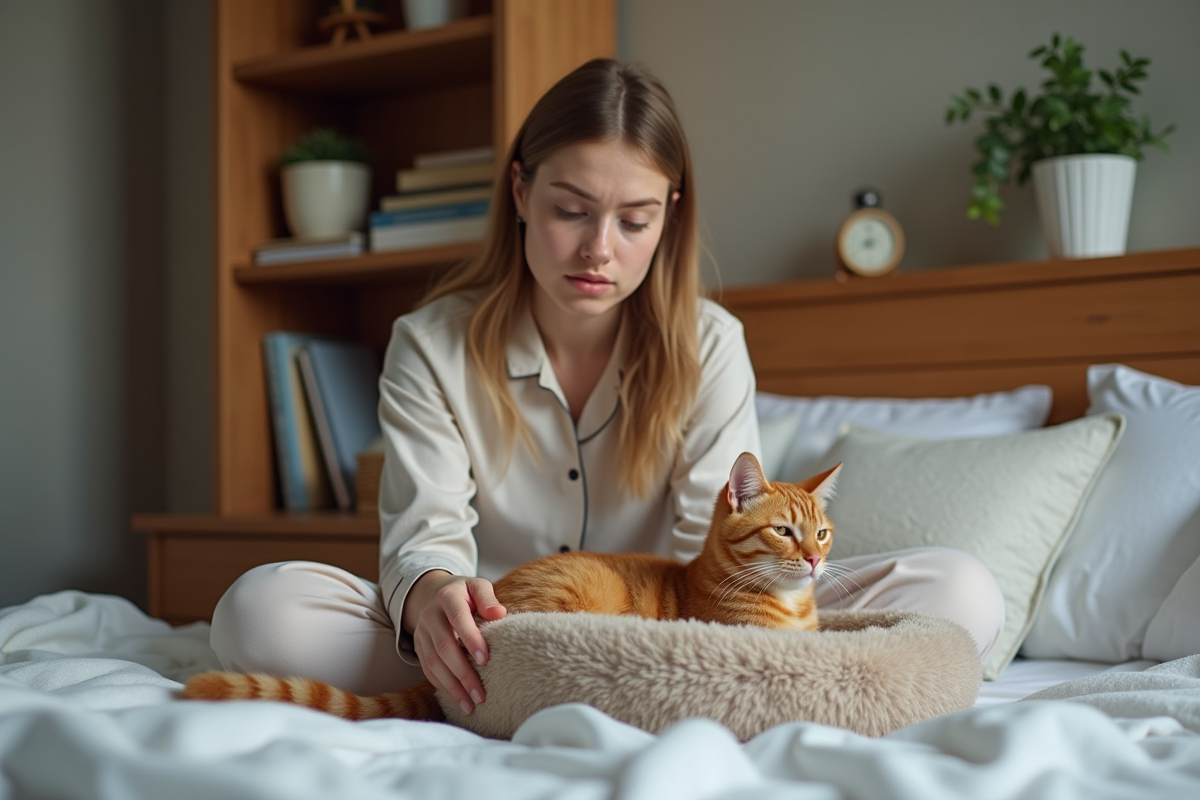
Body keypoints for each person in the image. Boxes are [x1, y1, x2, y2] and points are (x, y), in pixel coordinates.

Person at [210, 59, 1005, 717]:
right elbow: (424, 534)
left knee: (964, 594)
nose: (598, 250)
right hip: (495, 629)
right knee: (259, 612)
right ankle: (613, 689)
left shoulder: (710, 343)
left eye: (634, 220)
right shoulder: (431, 343)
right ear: (520, 193)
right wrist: (430, 595)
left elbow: (717, 549)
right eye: (570, 210)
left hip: (671, 625)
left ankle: (543, 692)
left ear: (669, 217)